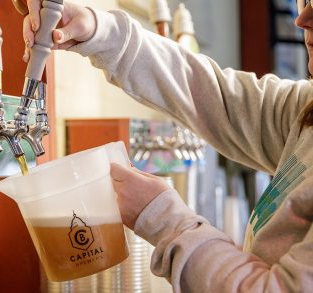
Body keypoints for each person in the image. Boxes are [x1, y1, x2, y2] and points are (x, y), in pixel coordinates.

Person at [22, 0, 313, 292]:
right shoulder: (306, 111)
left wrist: (163, 217)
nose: (303, 18)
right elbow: (210, 93)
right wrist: (98, 30)